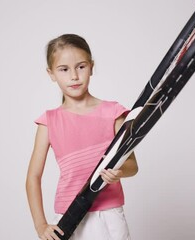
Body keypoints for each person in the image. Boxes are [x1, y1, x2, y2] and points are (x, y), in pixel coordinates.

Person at [26, 33, 138, 240]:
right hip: (68, 216)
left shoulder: (113, 112)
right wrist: (40, 224)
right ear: (51, 74)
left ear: (91, 67)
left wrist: (118, 171)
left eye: (81, 66)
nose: (74, 76)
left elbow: (132, 166)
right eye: (64, 69)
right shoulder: (48, 122)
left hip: (109, 215)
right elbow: (33, 177)